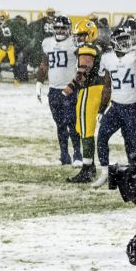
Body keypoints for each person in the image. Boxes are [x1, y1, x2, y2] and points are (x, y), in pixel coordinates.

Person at [91, 26, 136, 186]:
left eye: (127, 38)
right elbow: (107, 86)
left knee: (135, 144)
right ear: (113, 42)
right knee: (102, 137)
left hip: (133, 106)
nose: (125, 42)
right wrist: (101, 108)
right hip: (116, 107)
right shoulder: (107, 58)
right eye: (121, 39)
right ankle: (105, 172)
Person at [36, 15, 82, 166]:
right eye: (58, 27)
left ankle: (77, 153)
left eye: (63, 27)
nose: (60, 30)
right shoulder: (47, 43)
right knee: (60, 124)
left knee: (72, 122)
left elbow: (84, 64)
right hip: (54, 89)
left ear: (68, 28)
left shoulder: (74, 42)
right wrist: (39, 82)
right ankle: (64, 154)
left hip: (69, 88)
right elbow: (44, 64)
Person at [66, 20, 106, 183]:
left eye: (82, 35)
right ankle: (90, 166)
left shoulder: (87, 48)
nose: (79, 39)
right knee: (84, 129)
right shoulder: (98, 48)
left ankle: (87, 169)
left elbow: (84, 70)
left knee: (85, 130)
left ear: (90, 34)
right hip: (98, 89)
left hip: (90, 90)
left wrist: (71, 86)